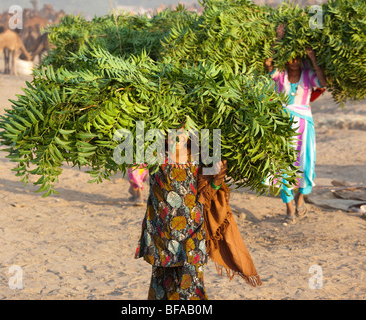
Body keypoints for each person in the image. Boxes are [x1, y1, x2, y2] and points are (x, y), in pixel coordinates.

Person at [134, 130, 261, 300]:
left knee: (192, 287)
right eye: (172, 130)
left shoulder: (198, 155)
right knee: (163, 286)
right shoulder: (155, 153)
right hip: (162, 233)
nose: (177, 135)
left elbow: (205, 195)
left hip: (192, 232)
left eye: (183, 131)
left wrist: (216, 177)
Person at [265, 25, 328, 224]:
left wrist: (313, 58)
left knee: (305, 163)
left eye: (297, 58)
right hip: (282, 125)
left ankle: (301, 198)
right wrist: (278, 38)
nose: (293, 62)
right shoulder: (280, 75)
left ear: (302, 60)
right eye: (290, 58)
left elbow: (324, 83)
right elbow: (268, 64)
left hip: (304, 126)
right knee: (284, 165)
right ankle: (289, 208)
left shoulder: (308, 76)